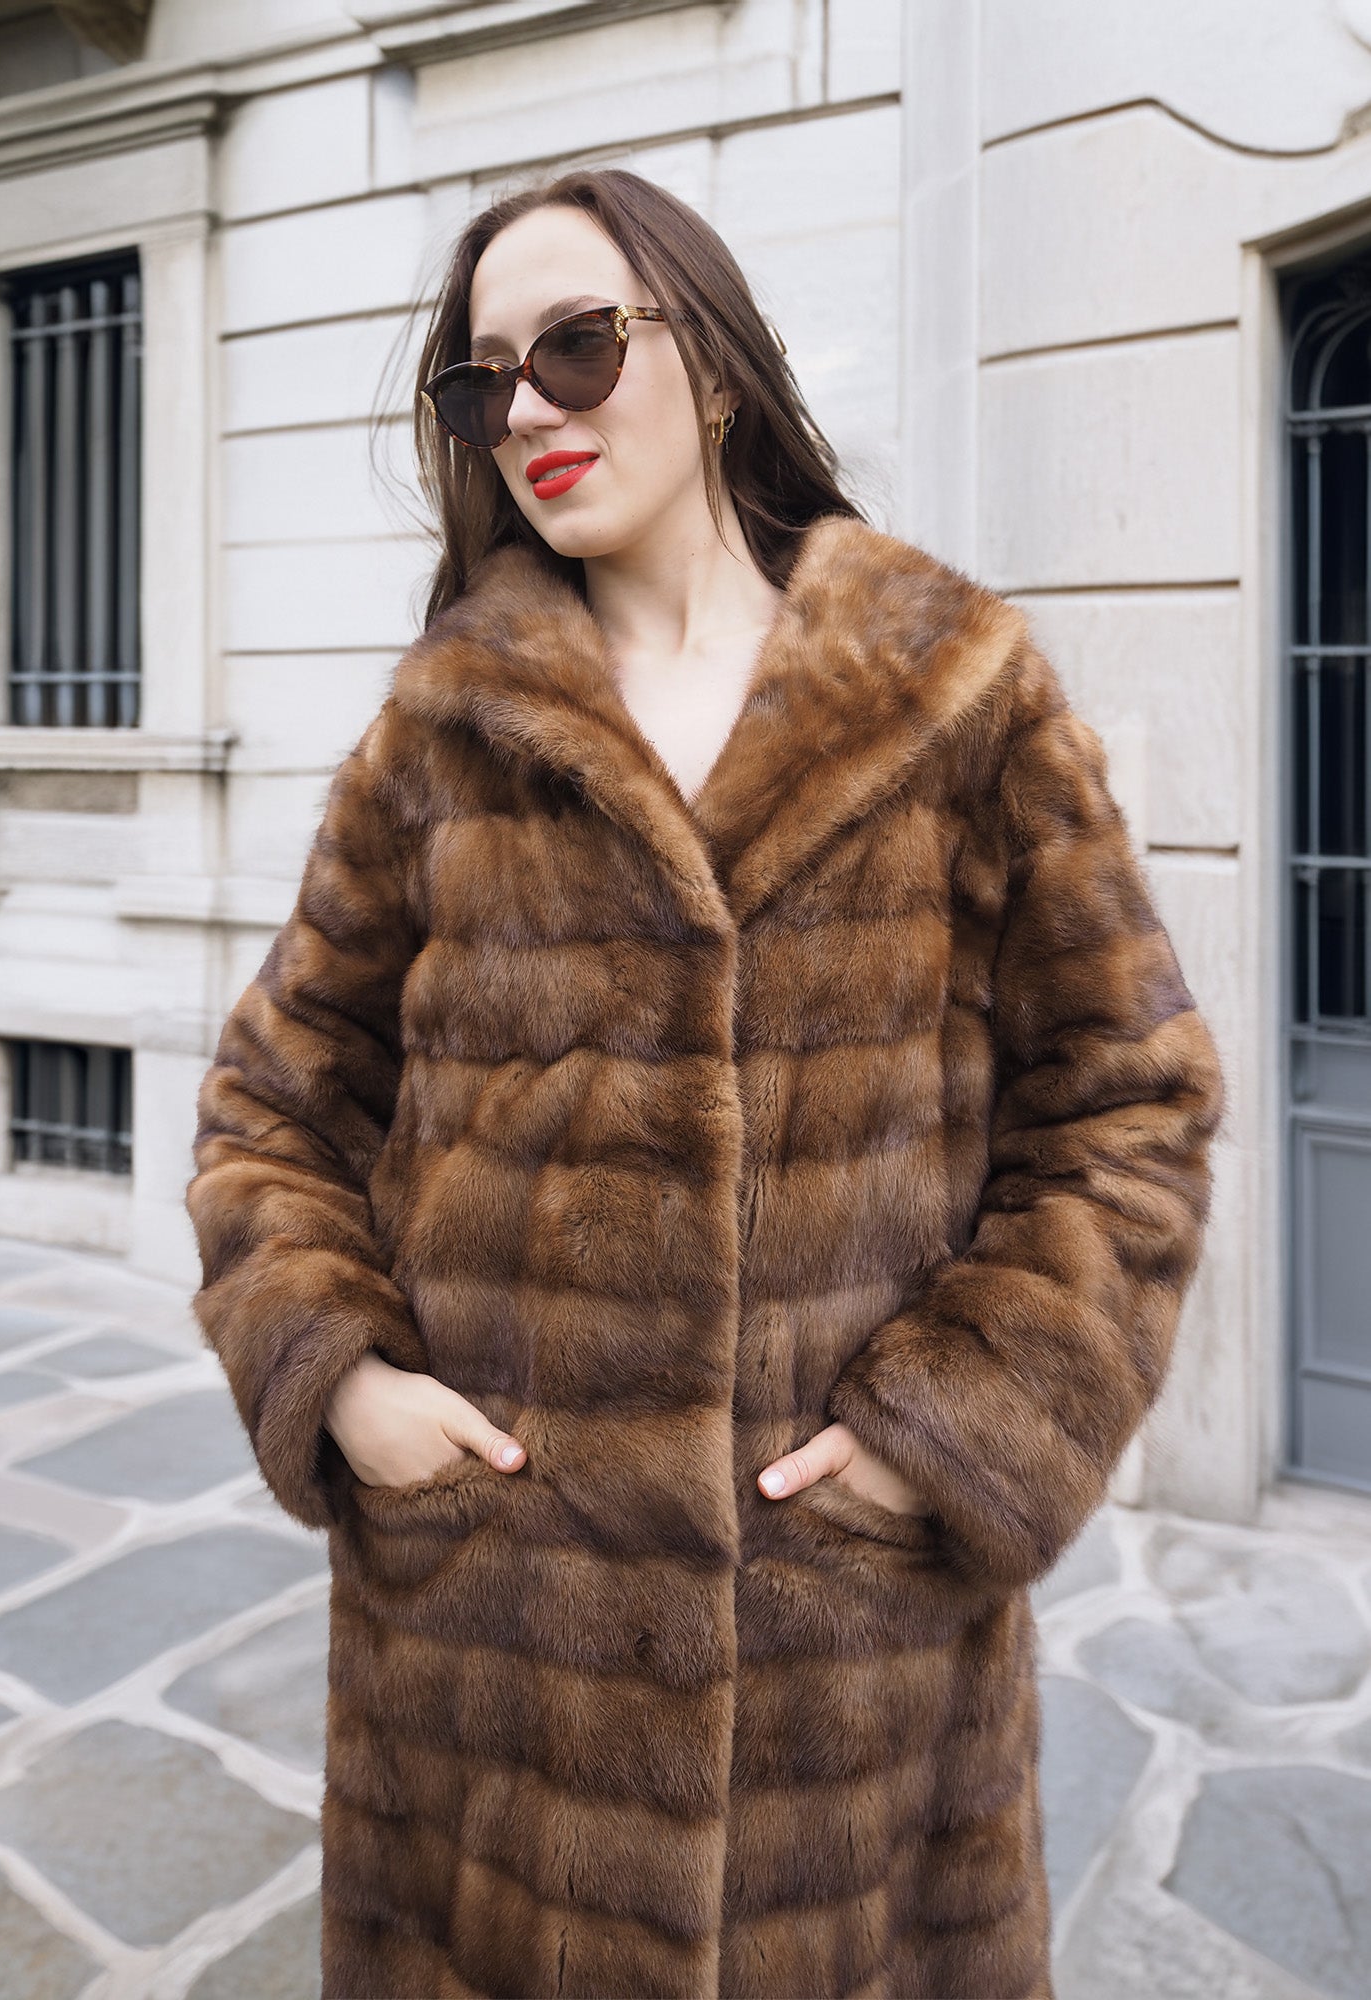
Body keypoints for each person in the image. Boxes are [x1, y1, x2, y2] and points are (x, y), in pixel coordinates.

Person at [186, 167, 1226, 2000]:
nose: (527, 410)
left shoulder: (953, 696)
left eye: (578, 348)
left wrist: (953, 1435)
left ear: (716, 363)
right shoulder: (447, 732)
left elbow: (1129, 1102)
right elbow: (273, 1104)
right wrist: (340, 1382)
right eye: (481, 377)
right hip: (495, 1669)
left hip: (849, 1678)